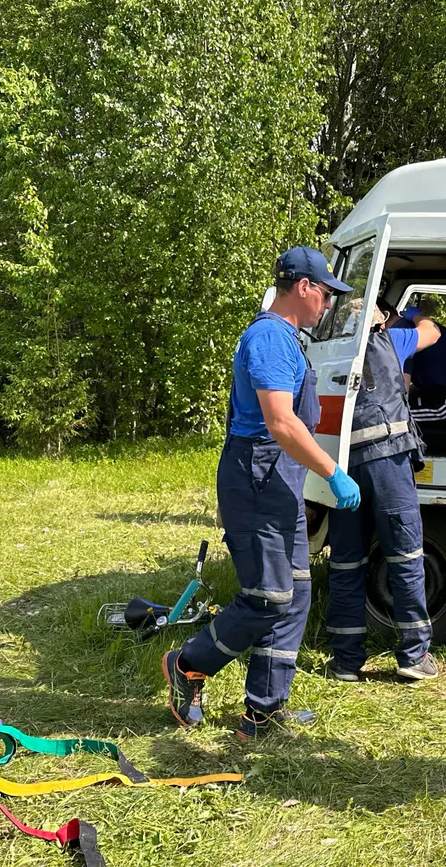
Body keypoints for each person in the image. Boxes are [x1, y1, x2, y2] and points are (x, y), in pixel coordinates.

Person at [163, 246, 360, 739]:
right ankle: (187, 664)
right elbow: (280, 422)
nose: (329, 305)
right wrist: (333, 472)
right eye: (326, 294)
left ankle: (263, 709)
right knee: (268, 597)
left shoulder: (288, 339)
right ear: (304, 287)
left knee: (294, 594)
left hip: (278, 480)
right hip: (255, 477)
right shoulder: (269, 338)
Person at [324, 301, 442, 682]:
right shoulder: (394, 338)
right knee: (405, 556)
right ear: (377, 321)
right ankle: (413, 655)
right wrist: (414, 313)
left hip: (342, 466)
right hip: (389, 460)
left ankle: (345, 661)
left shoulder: (330, 353)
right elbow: (434, 333)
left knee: (346, 561)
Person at [381, 300, 446, 460]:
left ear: (383, 317)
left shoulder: (400, 332)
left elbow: (401, 388)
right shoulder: (410, 325)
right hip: (442, 393)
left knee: (388, 419)